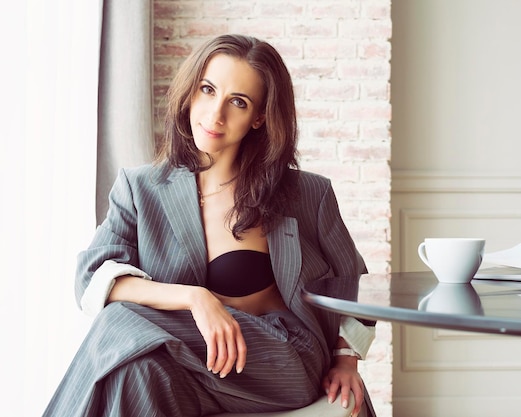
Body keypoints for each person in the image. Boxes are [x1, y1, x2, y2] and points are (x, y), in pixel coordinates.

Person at [42, 34, 375, 417]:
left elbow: (357, 283)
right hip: (196, 369)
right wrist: (195, 299)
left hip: (280, 359)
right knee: (137, 373)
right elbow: (91, 279)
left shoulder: (306, 193)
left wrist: (347, 360)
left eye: (238, 102)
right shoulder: (141, 188)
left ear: (259, 117)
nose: (216, 114)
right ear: (190, 92)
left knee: (121, 320)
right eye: (207, 89)